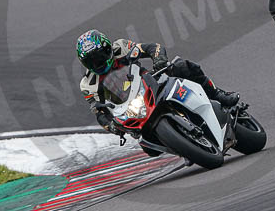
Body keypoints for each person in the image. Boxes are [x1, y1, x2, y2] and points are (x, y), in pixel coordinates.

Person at [76, 30, 239, 134]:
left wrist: (159, 59)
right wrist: (111, 126)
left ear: (108, 48)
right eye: (91, 61)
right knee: (148, 147)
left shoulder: (121, 47)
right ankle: (180, 145)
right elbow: (99, 112)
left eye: (99, 57)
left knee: (182, 66)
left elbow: (152, 47)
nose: (97, 63)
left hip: (151, 83)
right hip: (129, 109)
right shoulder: (88, 85)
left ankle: (218, 94)